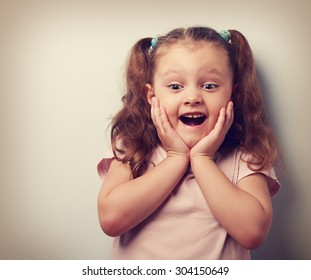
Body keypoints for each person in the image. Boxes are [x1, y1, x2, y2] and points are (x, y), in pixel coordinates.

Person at [97, 26, 281, 260]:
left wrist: (202, 160)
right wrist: (176, 158)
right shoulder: (134, 146)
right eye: (175, 86)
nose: (193, 98)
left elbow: (253, 233)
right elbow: (111, 220)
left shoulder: (244, 156)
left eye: (209, 86)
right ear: (152, 97)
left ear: (231, 95)